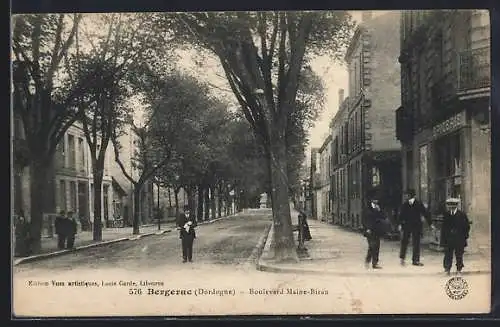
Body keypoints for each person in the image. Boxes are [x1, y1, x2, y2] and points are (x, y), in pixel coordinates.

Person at [397, 189, 435, 266]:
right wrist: (400, 224)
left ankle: (415, 260)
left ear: (411, 195)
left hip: (416, 226)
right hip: (406, 225)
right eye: (406, 195)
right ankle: (402, 258)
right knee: (404, 242)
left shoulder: (418, 204)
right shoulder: (405, 204)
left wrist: (430, 224)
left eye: (407, 195)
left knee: (416, 242)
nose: (406, 196)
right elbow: (401, 215)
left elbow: (425, 213)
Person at [440, 198, 471, 275]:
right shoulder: (446, 214)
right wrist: (443, 239)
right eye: (449, 205)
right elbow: (444, 228)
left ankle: (459, 269)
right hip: (449, 239)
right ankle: (447, 269)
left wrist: (464, 236)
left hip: (459, 238)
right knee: (448, 255)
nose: (451, 207)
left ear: (456, 206)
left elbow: (466, 226)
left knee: (459, 255)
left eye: (453, 205)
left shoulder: (462, 214)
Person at [362, 198, 390, 269]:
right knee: (372, 246)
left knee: (377, 246)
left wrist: (379, 210)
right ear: (372, 200)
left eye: (377, 200)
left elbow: (384, 216)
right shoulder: (367, 208)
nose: (377, 201)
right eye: (375, 199)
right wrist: (367, 228)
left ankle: (375, 263)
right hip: (369, 231)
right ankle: (368, 260)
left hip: (377, 230)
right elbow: (365, 219)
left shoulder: (379, 208)